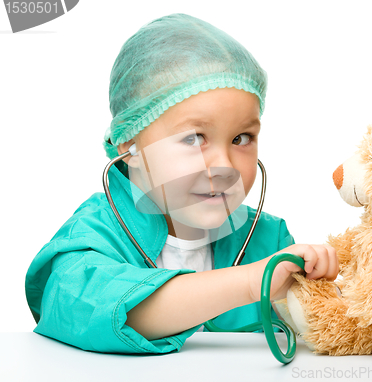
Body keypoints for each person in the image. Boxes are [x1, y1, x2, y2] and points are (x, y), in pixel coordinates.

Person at [25, 13, 338, 354]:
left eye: (241, 137)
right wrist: (252, 283)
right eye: (194, 138)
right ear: (129, 145)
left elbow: (320, 327)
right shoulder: (92, 234)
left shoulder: (269, 241)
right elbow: (88, 307)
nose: (223, 165)